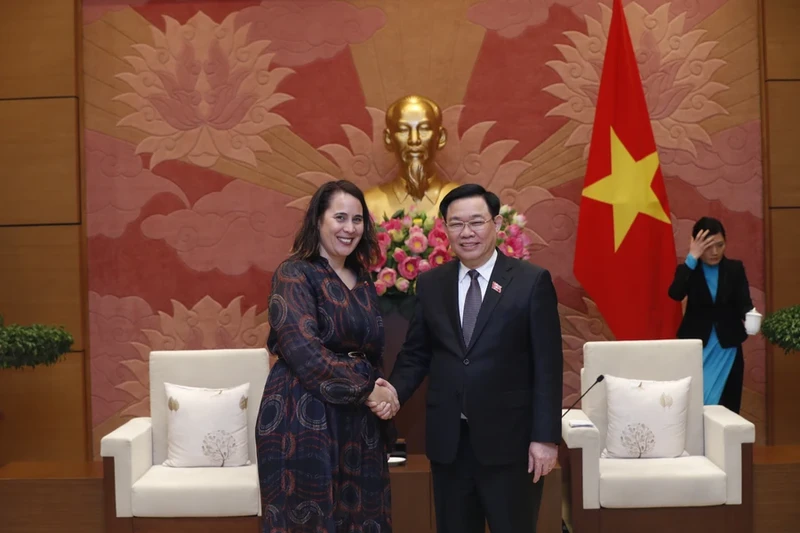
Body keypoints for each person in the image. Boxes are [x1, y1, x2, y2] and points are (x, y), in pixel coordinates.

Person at [371, 184, 564, 533]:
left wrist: (546, 437)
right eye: (456, 224)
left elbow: (548, 366)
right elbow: (416, 354)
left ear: (496, 225)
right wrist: (393, 393)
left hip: (512, 444)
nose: (467, 232)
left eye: (476, 222)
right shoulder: (432, 284)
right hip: (450, 443)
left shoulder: (530, 282)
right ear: (445, 230)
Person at [256, 180, 398, 532]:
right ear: (318, 220)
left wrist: (384, 395)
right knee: (309, 518)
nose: (349, 228)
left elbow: (373, 350)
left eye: (357, 219)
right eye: (340, 217)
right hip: (303, 412)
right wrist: (369, 390)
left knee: (363, 517)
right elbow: (304, 352)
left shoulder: (363, 278)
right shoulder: (294, 273)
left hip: (359, 420)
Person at [668, 216, 753, 414]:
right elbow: (675, 293)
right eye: (707, 247)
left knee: (728, 408)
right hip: (697, 348)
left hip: (728, 348)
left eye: (720, 245)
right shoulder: (689, 269)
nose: (715, 252)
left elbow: (744, 303)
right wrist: (691, 258)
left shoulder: (734, 269)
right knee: (694, 408)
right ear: (696, 245)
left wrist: (751, 316)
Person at [364, 94, 458, 219]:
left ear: (440, 137)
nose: (414, 140)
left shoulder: (462, 200)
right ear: (388, 139)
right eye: (403, 130)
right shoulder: (369, 204)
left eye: (424, 129)